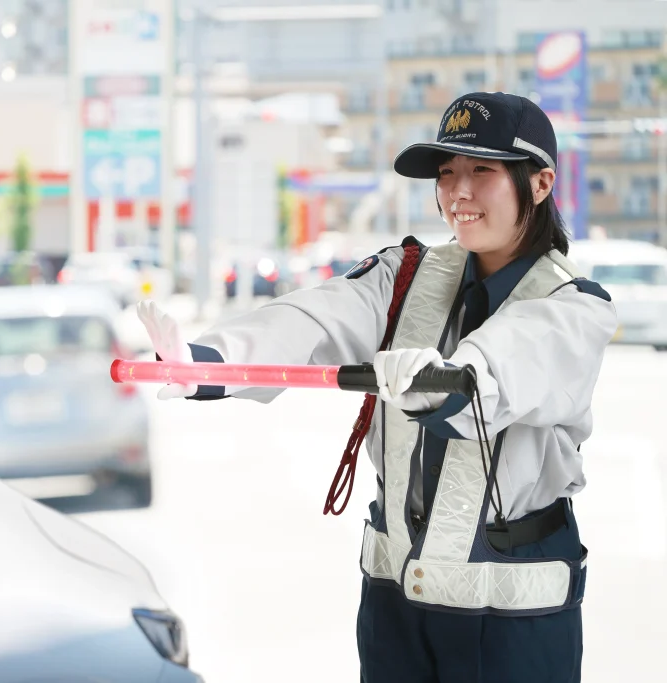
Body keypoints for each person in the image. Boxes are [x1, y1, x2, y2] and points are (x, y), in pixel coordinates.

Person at [137, 92, 618, 683]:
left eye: (482, 172)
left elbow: (501, 367)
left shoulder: (573, 306)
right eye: (446, 174)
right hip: (395, 614)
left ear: (541, 184)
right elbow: (314, 317)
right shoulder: (406, 273)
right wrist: (205, 362)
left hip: (513, 624)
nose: (457, 193)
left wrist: (437, 382)